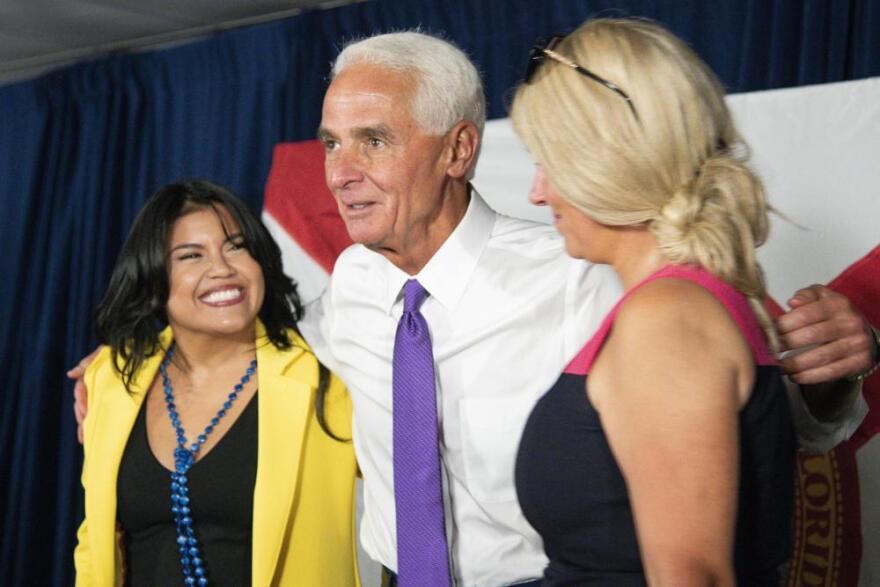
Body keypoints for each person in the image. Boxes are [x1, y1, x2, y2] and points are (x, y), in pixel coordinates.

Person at [71, 32, 877, 587]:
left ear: (459, 149)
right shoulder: (348, 287)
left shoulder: (587, 271)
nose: (341, 172)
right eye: (329, 143)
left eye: (374, 140)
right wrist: (123, 368)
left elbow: (777, 425)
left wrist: (832, 374)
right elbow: (257, 358)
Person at [509, 18, 799, 585]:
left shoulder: (667, 318)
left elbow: (694, 576)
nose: (537, 192)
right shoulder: (681, 304)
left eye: (550, 163)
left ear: (608, 161)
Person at [73, 180, 358, 586]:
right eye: (191, 255)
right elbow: (94, 543)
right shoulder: (112, 380)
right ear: (153, 282)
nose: (222, 269)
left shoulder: (327, 376)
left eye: (236, 247)